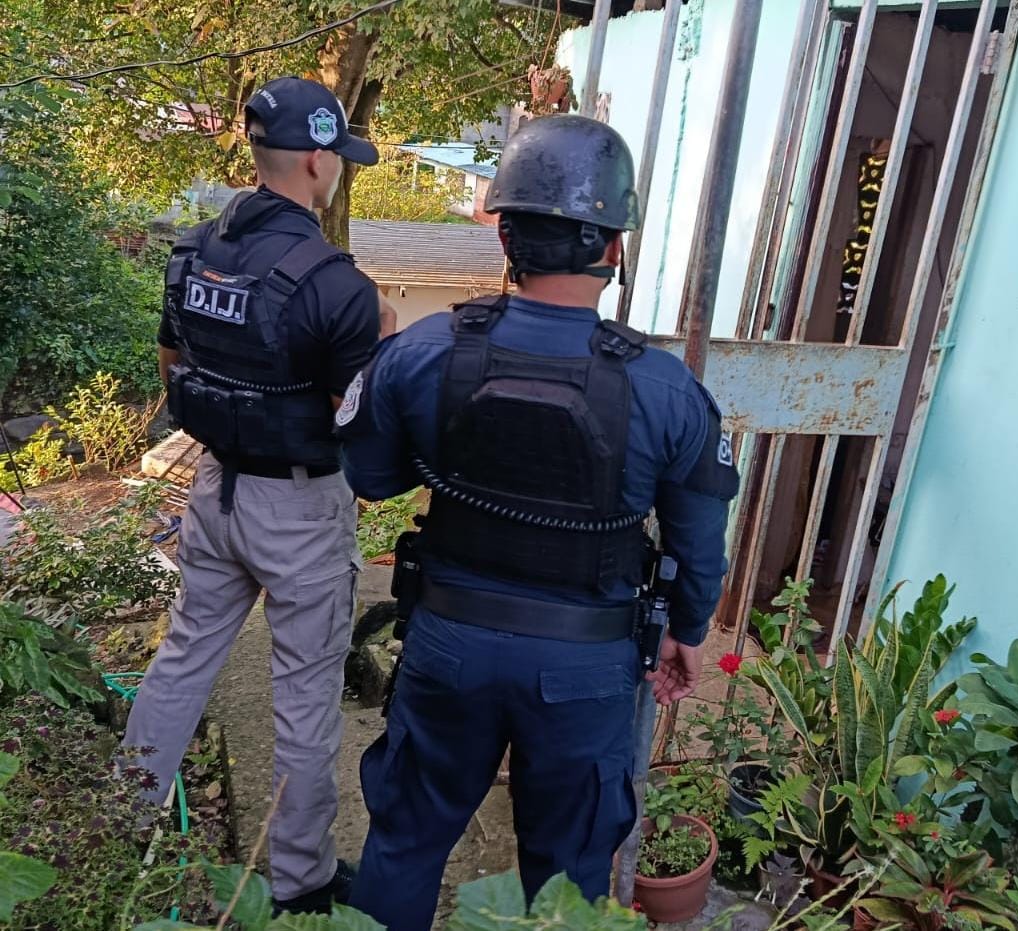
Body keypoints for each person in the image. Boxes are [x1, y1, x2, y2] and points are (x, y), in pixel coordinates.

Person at [336, 113, 739, 929]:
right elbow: (699, 546)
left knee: (406, 842)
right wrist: (688, 630)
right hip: (585, 670)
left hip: (448, 647)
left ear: (504, 235)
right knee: (568, 879)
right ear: (614, 248)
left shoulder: (423, 351)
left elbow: (370, 476)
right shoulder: (667, 390)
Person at [121, 76, 383, 914]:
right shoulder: (339, 287)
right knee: (305, 695)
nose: (339, 169)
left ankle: (120, 820)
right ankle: (301, 879)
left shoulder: (192, 251)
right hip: (299, 508)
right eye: (338, 156)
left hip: (215, 487)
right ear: (314, 160)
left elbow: (173, 366)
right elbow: (358, 419)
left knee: (183, 656)